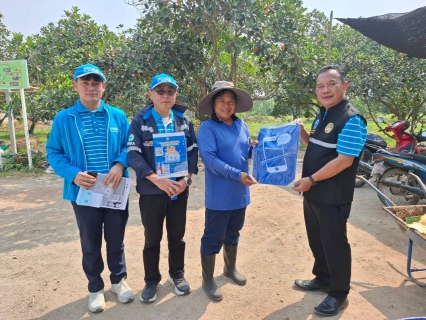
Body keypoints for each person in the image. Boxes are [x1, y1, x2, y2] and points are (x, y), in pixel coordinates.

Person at [46, 63, 134, 313]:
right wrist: (72, 175)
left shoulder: (117, 115)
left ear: (103, 87)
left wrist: (120, 164)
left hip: (115, 189)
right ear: (75, 86)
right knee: (90, 241)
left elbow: (130, 145)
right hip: (84, 192)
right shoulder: (65, 118)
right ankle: (95, 288)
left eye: (96, 83)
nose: (91, 87)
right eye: (85, 83)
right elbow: (53, 151)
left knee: (116, 240)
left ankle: (118, 281)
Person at [292, 65, 367, 316]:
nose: (325, 90)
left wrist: (311, 179)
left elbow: (344, 160)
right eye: (320, 86)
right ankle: (323, 278)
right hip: (314, 193)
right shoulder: (323, 114)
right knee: (318, 240)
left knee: (335, 243)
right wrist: (301, 132)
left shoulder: (351, 118)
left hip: (333, 194)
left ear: (344, 86)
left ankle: (339, 293)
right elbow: (315, 144)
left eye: (331, 84)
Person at [127, 73, 198, 303]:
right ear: (151, 94)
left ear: (175, 95)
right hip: (152, 192)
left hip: (179, 190)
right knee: (152, 238)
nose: (165, 95)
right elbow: (133, 153)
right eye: (160, 91)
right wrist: (155, 179)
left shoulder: (185, 121)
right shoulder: (140, 120)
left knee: (177, 236)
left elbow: (192, 152)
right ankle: (151, 281)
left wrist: (184, 181)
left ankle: (177, 275)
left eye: (170, 91)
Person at [197, 81, 258, 301]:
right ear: (214, 105)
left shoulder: (241, 125)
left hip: (240, 194)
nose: (226, 105)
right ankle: (208, 280)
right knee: (213, 237)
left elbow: (245, 154)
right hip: (220, 196)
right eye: (221, 101)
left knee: (233, 233)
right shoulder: (207, 128)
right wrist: (237, 175)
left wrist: (256, 149)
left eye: (230, 101)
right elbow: (211, 160)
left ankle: (229, 269)